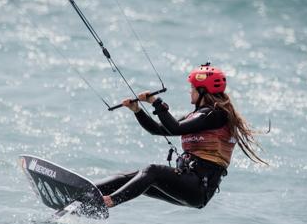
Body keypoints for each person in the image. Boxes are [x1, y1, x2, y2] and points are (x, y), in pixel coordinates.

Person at [96, 63, 267, 209]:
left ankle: (108, 202)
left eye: (192, 88)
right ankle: (88, 195)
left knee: (152, 171)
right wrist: (138, 111)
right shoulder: (199, 116)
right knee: (129, 178)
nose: (190, 92)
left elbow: (174, 128)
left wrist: (156, 102)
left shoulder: (215, 115)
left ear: (202, 90)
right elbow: (160, 129)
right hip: (189, 183)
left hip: (199, 187)